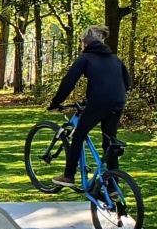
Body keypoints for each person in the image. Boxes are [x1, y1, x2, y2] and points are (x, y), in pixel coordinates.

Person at [47, 25, 132, 189]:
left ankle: (69, 176)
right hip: (118, 102)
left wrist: (56, 103)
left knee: (79, 134)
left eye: (81, 42)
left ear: (85, 43)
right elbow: (127, 84)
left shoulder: (85, 58)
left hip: (99, 103)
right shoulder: (115, 59)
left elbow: (68, 82)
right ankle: (113, 186)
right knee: (109, 141)